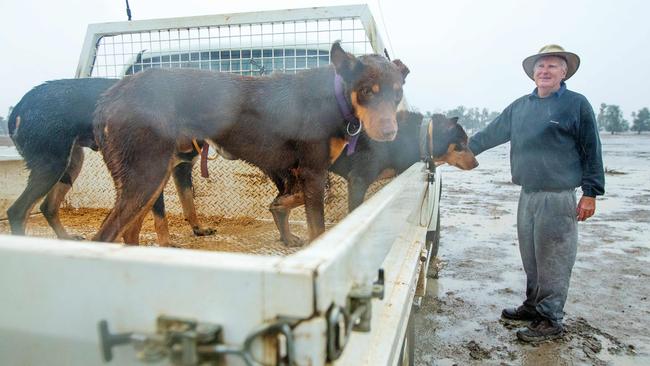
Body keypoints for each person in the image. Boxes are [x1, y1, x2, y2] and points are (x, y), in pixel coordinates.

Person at [468, 44, 605, 342]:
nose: (545, 71)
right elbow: (490, 134)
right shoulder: (521, 107)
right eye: (540, 66)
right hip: (527, 193)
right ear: (532, 73)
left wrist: (591, 192)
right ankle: (533, 306)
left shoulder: (576, 104)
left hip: (557, 196)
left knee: (553, 259)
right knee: (531, 256)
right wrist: (456, 150)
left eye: (552, 66)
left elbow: (592, 149)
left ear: (564, 72)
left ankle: (550, 319)